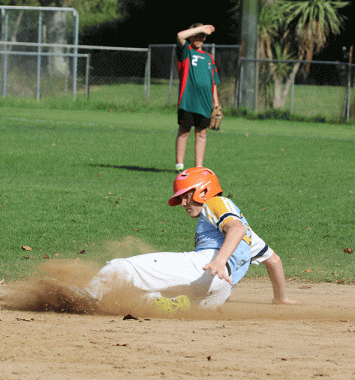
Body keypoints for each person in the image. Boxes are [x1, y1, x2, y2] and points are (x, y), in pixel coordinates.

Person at [80, 167, 299, 313]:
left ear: (204, 190)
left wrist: (219, 261)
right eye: (181, 198)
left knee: (121, 267)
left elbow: (236, 228)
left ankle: (84, 298)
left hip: (207, 267)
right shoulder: (253, 238)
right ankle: (175, 304)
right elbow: (274, 261)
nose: (183, 203)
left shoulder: (216, 203)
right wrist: (280, 298)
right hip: (215, 295)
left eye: (186, 196)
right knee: (142, 298)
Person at [175, 23, 220, 173]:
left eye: (202, 36)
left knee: (202, 133)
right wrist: (200, 28)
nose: (199, 38)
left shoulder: (209, 58)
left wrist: (217, 104)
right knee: (184, 130)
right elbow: (180, 36)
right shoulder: (186, 51)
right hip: (188, 100)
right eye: (197, 35)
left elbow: (213, 82)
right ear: (192, 34)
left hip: (205, 102)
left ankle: (198, 167)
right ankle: (179, 165)